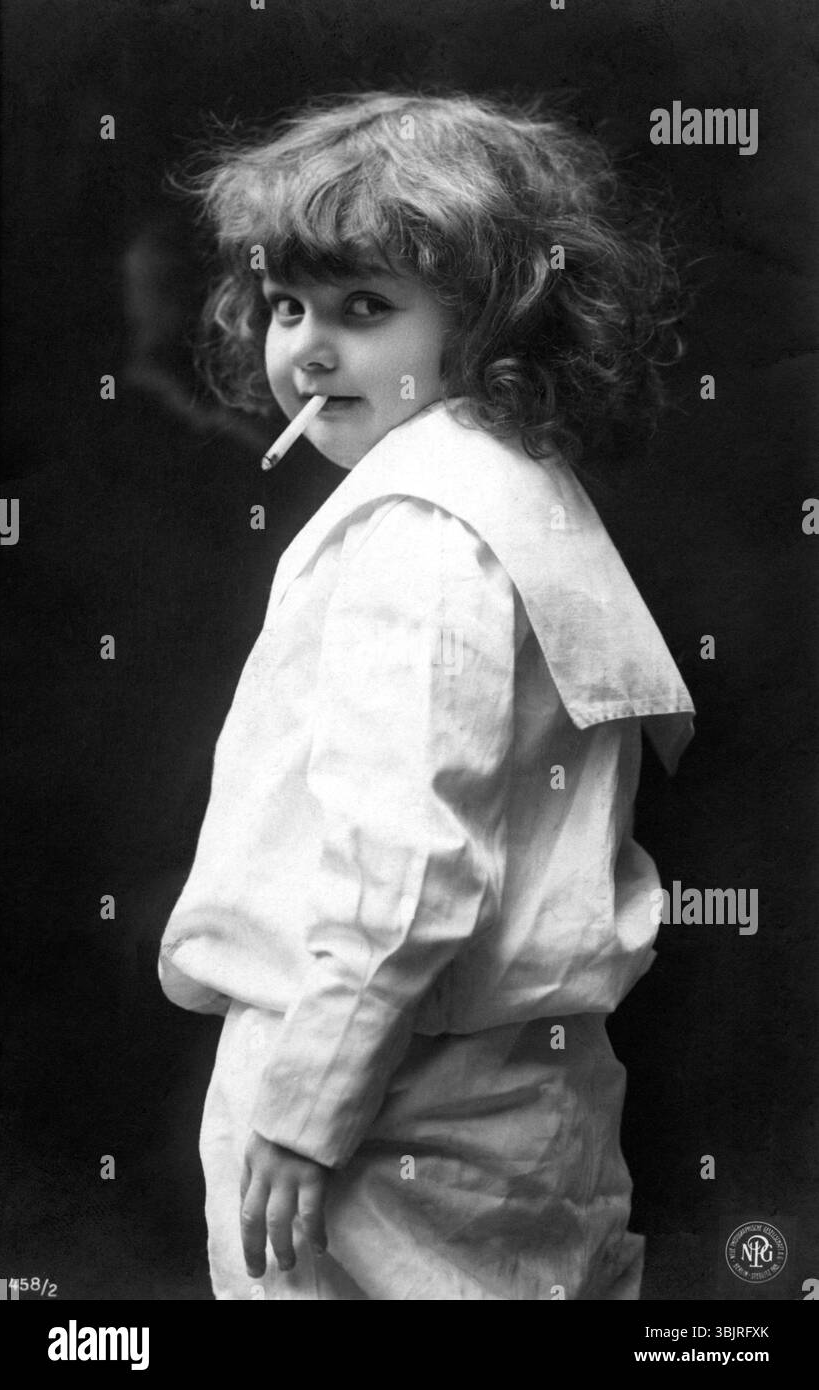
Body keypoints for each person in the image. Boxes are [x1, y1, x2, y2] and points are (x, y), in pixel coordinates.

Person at [158, 89, 695, 1300]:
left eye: (365, 308)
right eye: (288, 305)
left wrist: (301, 1109)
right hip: (505, 1089)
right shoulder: (513, 490)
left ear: (493, 323)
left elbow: (405, 867)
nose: (307, 346)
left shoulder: (419, 530)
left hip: (378, 1095)